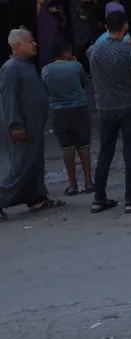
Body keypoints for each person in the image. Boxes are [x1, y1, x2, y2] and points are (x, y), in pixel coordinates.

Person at [0, 29, 64, 222]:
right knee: (20, 167)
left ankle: (36, 198)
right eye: (30, 41)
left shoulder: (25, 65)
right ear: (17, 45)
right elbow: (8, 99)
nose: (34, 44)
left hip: (34, 125)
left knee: (34, 163)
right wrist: (15, 124)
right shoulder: (11, 68)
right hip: (22, 126)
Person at [87, 12, 131, 215]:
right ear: (125, 26)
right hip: (129, 104)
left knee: (105, 151)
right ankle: (130, 198)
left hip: (105, 106)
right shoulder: (129, 51)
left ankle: (99, 198)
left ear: (105, 27)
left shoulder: (93, 52)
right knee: (130, 152)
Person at [41, 40, 94, 196]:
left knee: (66, 147)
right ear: (66, 52)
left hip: (59, 111)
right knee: (84, 145)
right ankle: (88, 181)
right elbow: (85, 83)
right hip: (79, 109)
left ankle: (72, 185)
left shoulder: (46, 70)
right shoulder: (75, 66)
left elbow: (45, 89)